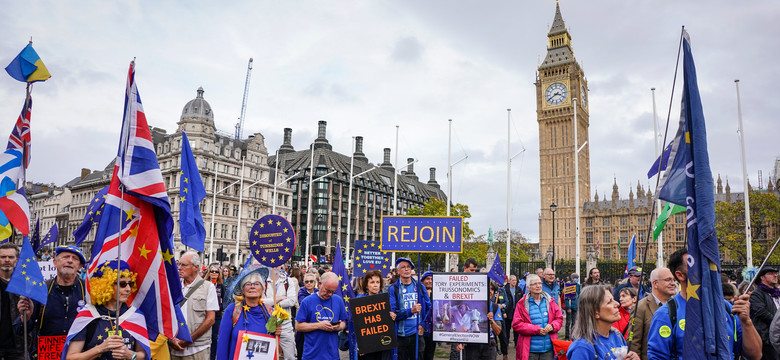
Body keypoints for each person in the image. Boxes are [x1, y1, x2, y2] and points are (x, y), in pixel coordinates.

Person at [647, 248, 762, 360]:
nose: (705, 269)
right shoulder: (666, 314)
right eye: (696, 265)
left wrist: (746, 322)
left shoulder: (727, 308)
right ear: (680, 275)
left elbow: (756, 355)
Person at [64, 260, 146, 360]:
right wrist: (100, 348)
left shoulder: (135, 316)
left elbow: (142, 354)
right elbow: (71, 357)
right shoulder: (87, 315)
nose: (128, 289)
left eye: (130, 283)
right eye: (122, 284)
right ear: (106, 285)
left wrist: (131, 355)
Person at [17, 245, 86, 357]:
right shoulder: (41, 289)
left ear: (80, 266)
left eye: (75, 258)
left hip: (79, 354)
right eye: (65, 257)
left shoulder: (88, 290)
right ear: (54, 262)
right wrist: (26, 317)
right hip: (47, 353)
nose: (69, 260)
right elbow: (21, 330)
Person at [216, 266, 280, 359]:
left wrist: (278, 333)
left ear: (262, 289)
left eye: (257, 284)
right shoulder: (233, 310)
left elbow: (275, 349)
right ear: (242, 290)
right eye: (248, 284)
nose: (252, 287)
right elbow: (222, 345)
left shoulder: (270, 312)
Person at [565, 285, 640, 360]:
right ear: (595, 312)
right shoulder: (582, 348)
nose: (617, 304)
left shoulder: (617, 335)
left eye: (613, 299)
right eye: (609, 302)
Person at [170, 252, 218, 360]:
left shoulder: (208, 287)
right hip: (174, 348)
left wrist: (188, 340)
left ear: (196, 267)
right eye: (179, 264)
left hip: (198, 349)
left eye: (184, 265)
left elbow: (210, 319)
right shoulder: (173, 287)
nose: (179, 268)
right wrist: (171, 339)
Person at [295, 272, 347, 360]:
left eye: (333, 291)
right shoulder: (307, 301)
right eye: (328, 291)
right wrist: (319, 325)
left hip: (332, 355)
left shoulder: (338, 300)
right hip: (312, 355)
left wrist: (338, 327)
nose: (330, 294)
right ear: (319, 284)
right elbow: (298, 326)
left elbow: (344, 322)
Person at [512, 274, 563, 360]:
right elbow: (517, 324)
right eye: (534, 284)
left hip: (548, 349)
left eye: (539, 283)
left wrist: (552, 326)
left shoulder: (550, 301)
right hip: (530, 350)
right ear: (528, 288)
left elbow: (559, 318)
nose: (538, 286)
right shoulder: (521, 304)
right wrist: (536, 330)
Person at [628, 267, 675, 360]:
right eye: (668, 280)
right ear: (655, 283)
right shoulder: (640, 307)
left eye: (673, 280)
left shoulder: (677, 305)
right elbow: (633, 343)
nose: (673, 283)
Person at [388, 258, 431, 360]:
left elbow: (430, 308)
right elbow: (394, 315)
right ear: (398, 271)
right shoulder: (393, 289)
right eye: (403, 267)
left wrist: (423, 325)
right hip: (400, 335)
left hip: (417, 334)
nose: (406, 269)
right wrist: (411, 311)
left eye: (409, 267)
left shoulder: (420, 286)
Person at [355, 270, 395, 360]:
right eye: (372, 282)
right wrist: (359, 345)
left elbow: (390, 324)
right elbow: (356, 326)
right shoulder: (359, 302)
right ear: (366, 285)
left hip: (383, 347)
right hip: (367, 349)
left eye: (378, 282)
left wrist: (392, 317)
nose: (375, 285)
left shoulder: (386, 301)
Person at [262, 269, 298, 360]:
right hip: (267, 324)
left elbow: (291, 301)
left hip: (285, 325)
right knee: (265, 355)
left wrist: (272, 303)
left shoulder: (288, 281)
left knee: (290, 356)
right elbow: (261, 302)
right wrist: (279, 298)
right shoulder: (262, 281)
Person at [0, 243, 26, 360]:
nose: (7, 260)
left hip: (17, 346)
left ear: (16, 260)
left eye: (10, 257)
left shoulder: (25, 284)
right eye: (3, 257)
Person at [750, 266, 779, 360]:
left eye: (775, 273)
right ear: (762, 277)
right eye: (771, 273)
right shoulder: (757, 293)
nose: (775, 275)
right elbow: (761, 312)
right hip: (766, 338)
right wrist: (777, 324)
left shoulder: (777, 292)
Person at [295, 273, 318, 360]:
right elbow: (303, 303)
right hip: (304, 324)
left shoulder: (318, 292)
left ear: (315, 282)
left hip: (316, 323)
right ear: (304, 283)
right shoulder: (301, 292)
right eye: (307, 281)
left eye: (311, 281)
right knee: (301, 347)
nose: (309, 283)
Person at [207, 264, 225, 360]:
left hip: (217, 315)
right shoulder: (204, 284)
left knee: (214, 338)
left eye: (216, 271)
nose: (214, 273)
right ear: (209, 273)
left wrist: (219, 307)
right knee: (205, 337)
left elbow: (225, 300)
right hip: (205, 315)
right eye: (212, 271)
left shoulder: (221, 286)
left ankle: (212, 357)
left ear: (219, 274)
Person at [504, 275, 522, 350]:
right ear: (509, 281)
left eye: (515, 280)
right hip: (508, 312)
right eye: (513, 280)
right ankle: (506, 343)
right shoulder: (505, 289)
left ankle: (516, 343)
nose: (514, 282)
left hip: (517, 312)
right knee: (507, 329)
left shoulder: (519, 289)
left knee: (517, 329)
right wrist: (504, 312)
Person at [420, 271, 434, 360]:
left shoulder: (437, 292)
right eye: (427, 279)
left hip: (431, 329)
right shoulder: (418, 291)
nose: (430, 281)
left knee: (429, 355)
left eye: (432, 279)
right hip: (421, 328)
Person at [563, 273, 581, 340]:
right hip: (570, 307)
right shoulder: (569, 285)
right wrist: (568, 307)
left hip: (575, 306)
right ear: (572, 278)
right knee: (568, 322)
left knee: (574, 322)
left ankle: (573, 336)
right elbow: (567, 298)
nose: (577, 279)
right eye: (576, 278)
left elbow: (579, 294)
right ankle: (567, 336)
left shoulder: (578, 286)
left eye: (577, 278)